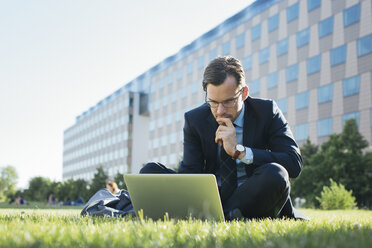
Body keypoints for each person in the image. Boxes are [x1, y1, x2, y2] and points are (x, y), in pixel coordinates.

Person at [141, 56, 307, 220]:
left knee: (276, 173)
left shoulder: (267, 111)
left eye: (228, 102)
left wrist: (240, 151)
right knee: (149, 172)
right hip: (212, 196)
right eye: (213, 102)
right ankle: (224, 214)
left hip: (253, 194)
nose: (220, 111)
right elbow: (190, 174)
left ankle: (214, 216)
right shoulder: (195, 120)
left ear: (244, 93)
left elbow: (293, 163)